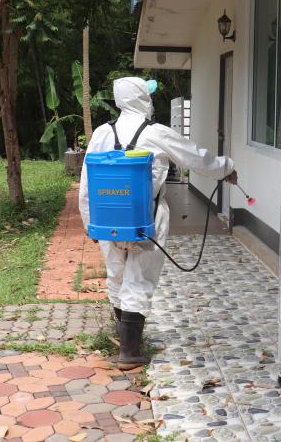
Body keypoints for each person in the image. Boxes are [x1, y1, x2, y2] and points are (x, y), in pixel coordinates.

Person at [79, 77, 236, 369]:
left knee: (116, 276)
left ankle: (124, 342)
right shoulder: (156, 132)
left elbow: (86, 182)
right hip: (146, 220)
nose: (151, 101)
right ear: (141, 98)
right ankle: (129, 352)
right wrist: (226, 167)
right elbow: (196, 159)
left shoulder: (102, 132)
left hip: (108, 220)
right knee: (139, 278)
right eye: (148, 95)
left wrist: (91, 223)